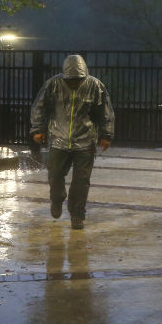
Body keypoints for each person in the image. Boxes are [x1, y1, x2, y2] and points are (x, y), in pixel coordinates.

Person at [30, 54, 114, 229]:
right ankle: (57, 198)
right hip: (58, 140)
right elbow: (39, 107)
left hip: (85, 141)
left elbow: (105, 112)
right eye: (71, 80)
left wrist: (106, 135)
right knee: (55, 173)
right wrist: (38, 129)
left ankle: (77, 214)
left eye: (78, 80)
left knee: (81, 180)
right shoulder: (53, 85)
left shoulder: (95, 86)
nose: (74, 83)